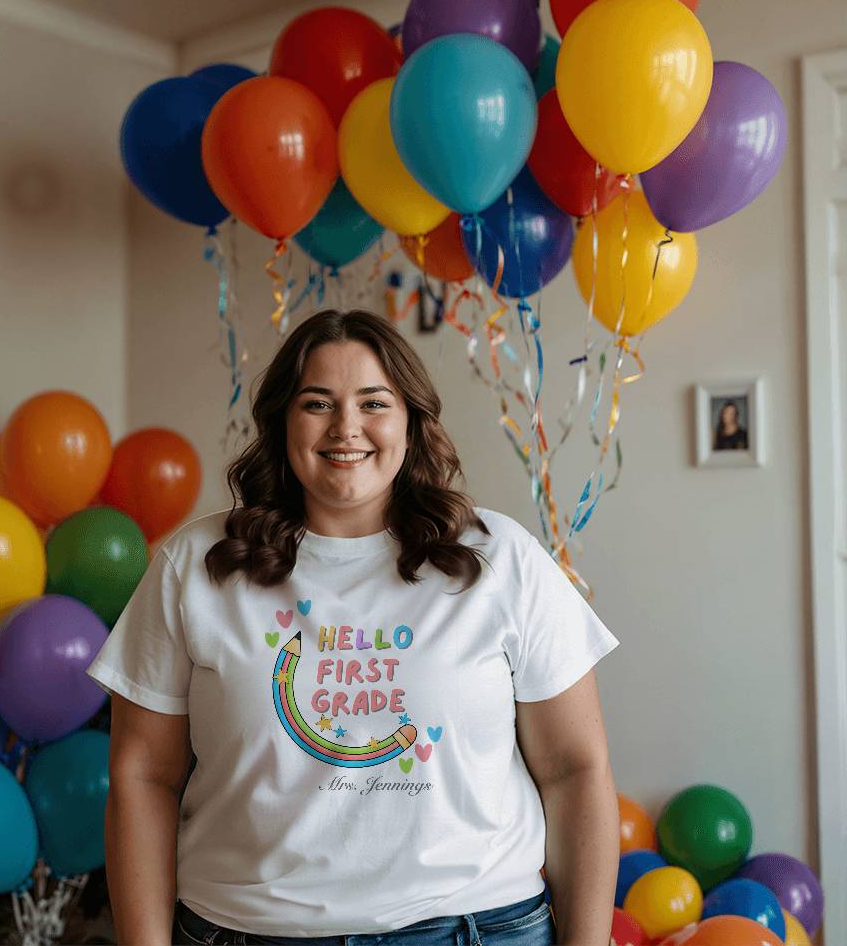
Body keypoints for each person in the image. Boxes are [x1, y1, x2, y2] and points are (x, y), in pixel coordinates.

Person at [86, 308, 620, 946]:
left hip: (475, 927)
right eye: (318, 403)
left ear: (410, 421)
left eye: (374, 402)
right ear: (284, 420)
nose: (347, 428)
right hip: (247, 931)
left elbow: (574, 770)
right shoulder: (195, 566)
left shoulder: (502, 558)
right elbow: (144, 776)